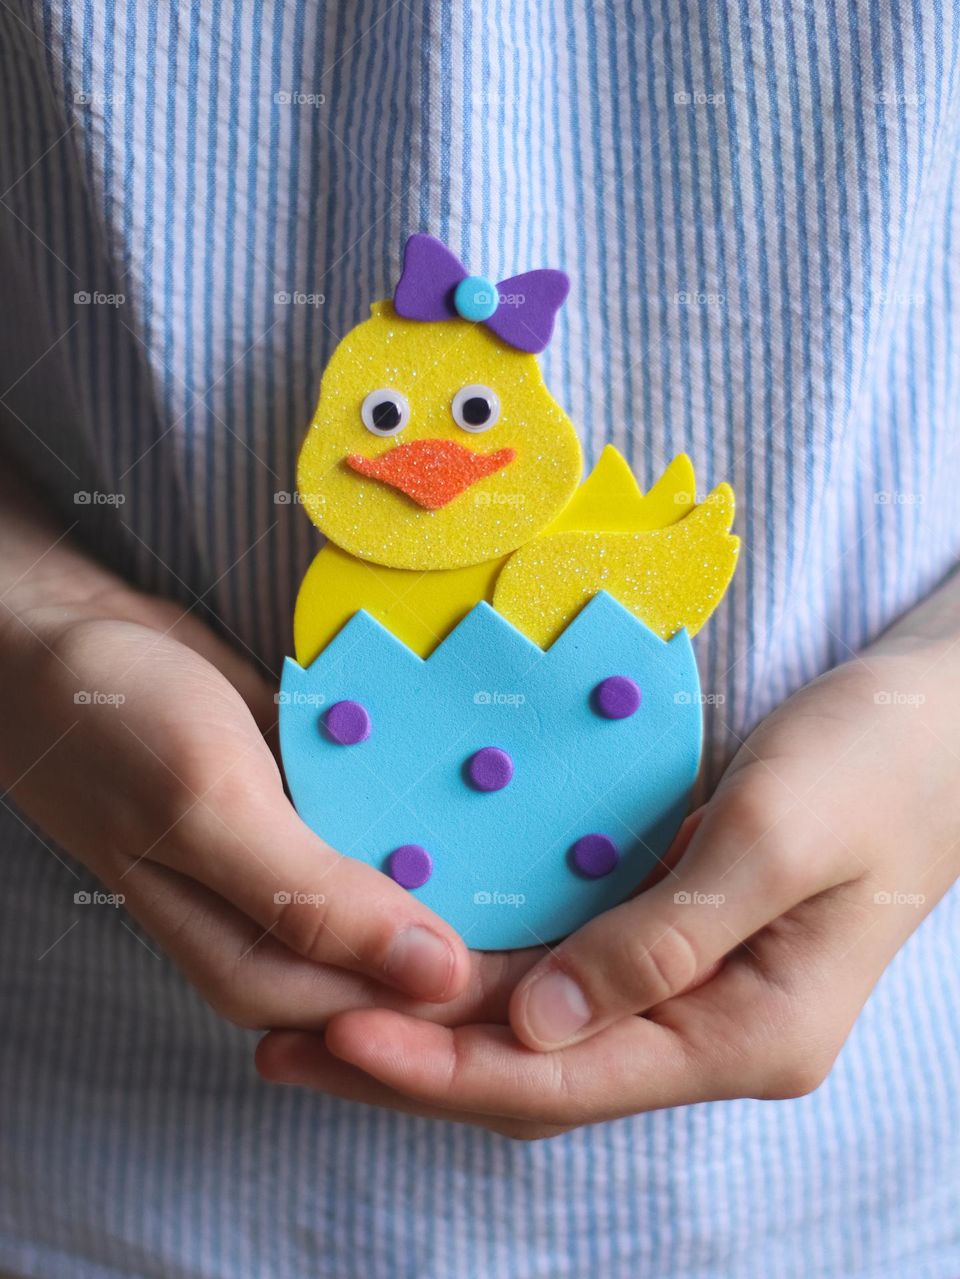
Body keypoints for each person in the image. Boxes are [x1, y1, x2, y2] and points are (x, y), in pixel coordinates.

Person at [1, 3, 958, 1277]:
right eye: (396, 413)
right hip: (96, 1146)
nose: (427, 449)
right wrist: (36, 630)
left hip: (854, 1177)